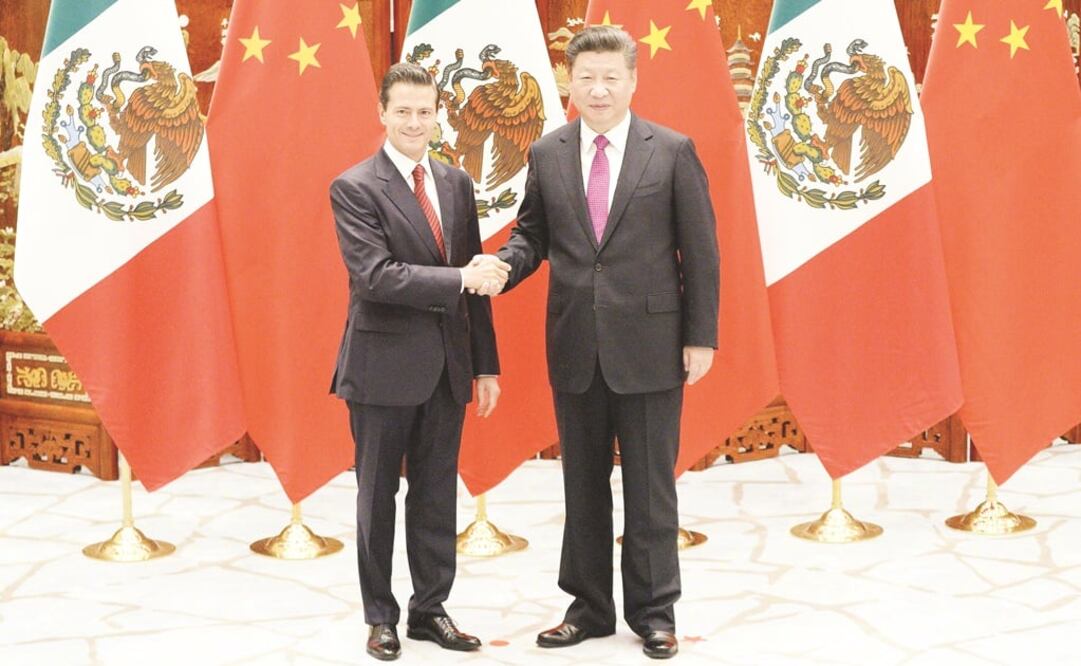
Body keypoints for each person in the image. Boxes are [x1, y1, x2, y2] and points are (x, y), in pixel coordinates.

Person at [474, 25, 719, 660]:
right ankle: (587, 608)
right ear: (569, 83)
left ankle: (655, 611)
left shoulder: (670, 150)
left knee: (649, 487)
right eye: (587, 77)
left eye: (612, 76)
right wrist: (502, 264)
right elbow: (532, 236)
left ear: (633, 80)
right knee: (581, 486)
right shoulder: (548, 153)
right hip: (576, 345)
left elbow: (703, 252)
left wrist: (701, 337)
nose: (600, 88)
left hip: (653, 346)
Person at [329, 62, 508, 662]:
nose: (413, 122)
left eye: (424, 111)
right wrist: (460, 277)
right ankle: (379, 617)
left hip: (448, 368)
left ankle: (430, 610)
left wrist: (485, 364)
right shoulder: (354, 186)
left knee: (436, 496)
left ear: (438, 115)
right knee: (376, 496)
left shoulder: (455, 182)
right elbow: (376, 277)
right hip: (381, 367)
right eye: (402, 110)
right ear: (381, 113)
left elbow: (476, 276)